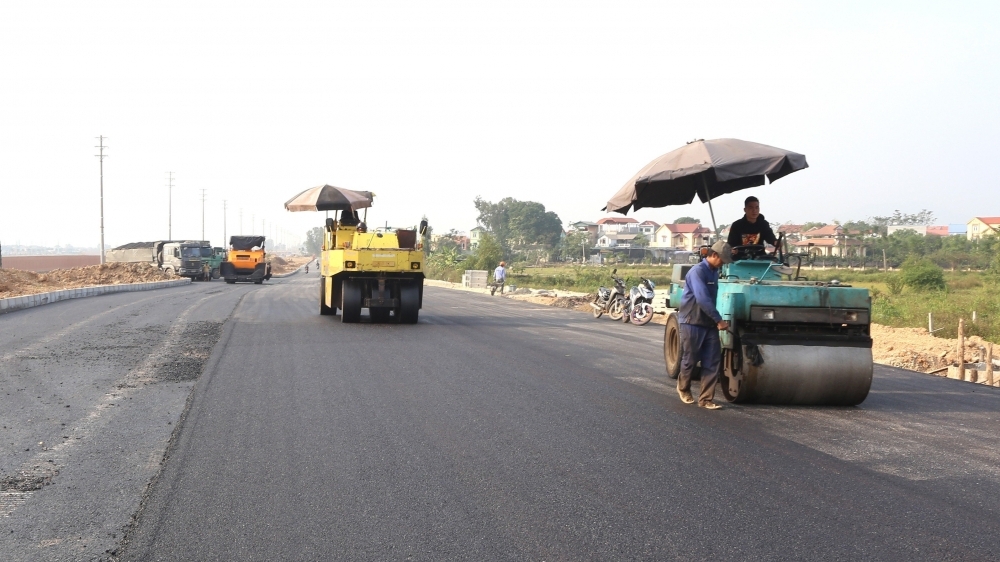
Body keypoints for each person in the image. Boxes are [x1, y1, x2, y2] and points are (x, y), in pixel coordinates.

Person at [676, 240, 731, 410]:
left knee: (712, 361)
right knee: (690, 359)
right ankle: (683, 388)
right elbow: (702, 299)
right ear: (714, 255)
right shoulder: (697, 272)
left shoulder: (714, 272)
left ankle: (706, 399)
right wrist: (719, 320)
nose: (723, 264)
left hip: (708, 324)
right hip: (691, 321)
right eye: (722, 260)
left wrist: (715, 321)